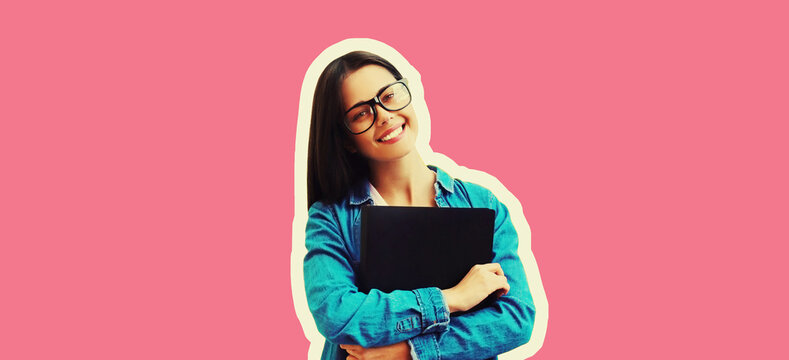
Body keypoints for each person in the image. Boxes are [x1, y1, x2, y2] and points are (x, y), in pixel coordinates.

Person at [303, 50, 535, 360]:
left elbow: (516, 320)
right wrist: (451, 298)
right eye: (361, 113)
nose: (384, 115)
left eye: (389, 95)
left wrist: (410, 352)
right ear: (346, 140)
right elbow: (338, 316)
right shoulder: (330, 219)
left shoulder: (484, 204)